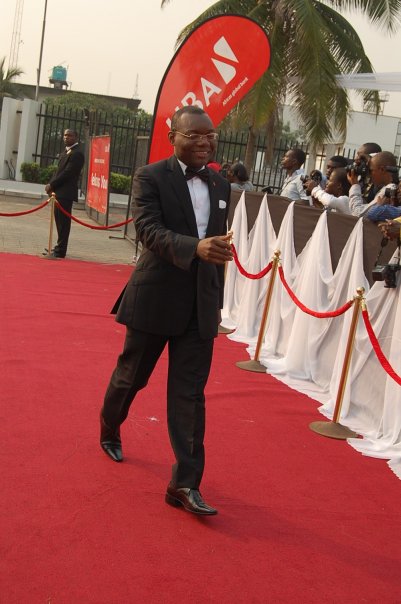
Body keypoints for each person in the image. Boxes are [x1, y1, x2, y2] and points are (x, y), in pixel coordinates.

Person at [100, 106, 232, 516]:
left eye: (209, 135)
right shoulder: (150, 176)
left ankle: (184, 484)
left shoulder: (221, 184)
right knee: (132, 376)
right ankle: (109, 425)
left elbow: (216, 245)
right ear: (173, 136)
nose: (204, 142)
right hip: (156, 298)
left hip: (199, 306)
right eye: (194, 135)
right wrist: (196, 247)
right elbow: (148, 230)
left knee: (189, 395)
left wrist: (215, 300)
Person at [44, 129, 85, 258]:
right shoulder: (65, 152)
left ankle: (61, 250)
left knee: (64, 223)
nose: (66, 137)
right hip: (58, 192)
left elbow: (68, 173)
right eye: (65, 135)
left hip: (66, 193)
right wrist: (51, 185)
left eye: (70, 135)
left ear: (76, 137)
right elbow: (58, 171)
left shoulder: (77, 154)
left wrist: (52, 184)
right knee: (59, 222)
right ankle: (58, 247)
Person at [347, 151, 398, 218]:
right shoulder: (388, 187)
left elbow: (358, 213)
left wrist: (355, 185)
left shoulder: (389, 190)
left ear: (382, 169)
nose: (369, 174)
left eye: (370, 171)